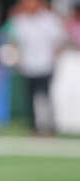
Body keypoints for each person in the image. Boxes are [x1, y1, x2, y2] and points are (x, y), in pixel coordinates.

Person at [9, 0, 66, 134]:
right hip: (28, 65)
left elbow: (60, 39)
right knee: (29, 98)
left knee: (46, 97)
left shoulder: (49, 19)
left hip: (45, 64)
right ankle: (33, 127)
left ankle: (50, 126)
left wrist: (54, 56)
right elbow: (14, 41)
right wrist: (17, 58)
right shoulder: (20, 20)